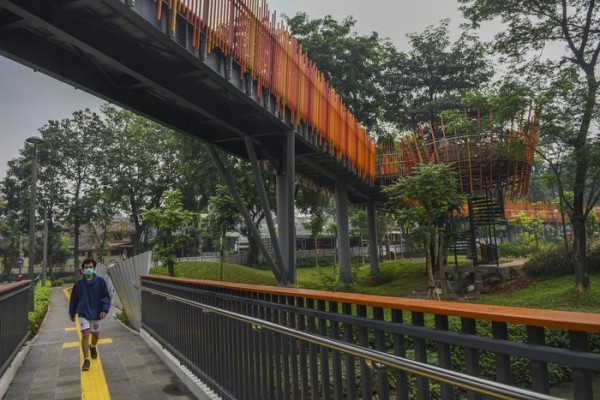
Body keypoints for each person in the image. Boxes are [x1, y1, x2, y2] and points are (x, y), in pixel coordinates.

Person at [68, 258, 111, 371]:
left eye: (90, 267)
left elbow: (105, 297)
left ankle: (92, 346)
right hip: (83, 312)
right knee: (85, 334)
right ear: (82, 269)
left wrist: (104, 309)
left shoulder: (100, 282)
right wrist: (72, 313)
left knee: (95, 336)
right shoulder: (78, 284)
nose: (88, 269)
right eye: (86, 267)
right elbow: (74, 300)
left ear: (94, 268)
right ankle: (86, 359)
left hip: (96, 313)